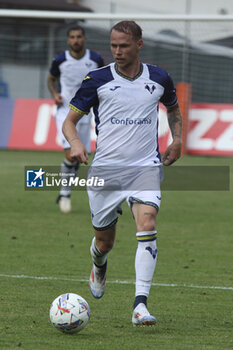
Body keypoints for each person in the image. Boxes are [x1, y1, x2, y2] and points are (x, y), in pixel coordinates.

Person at [62, 21, 182, 326]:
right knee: (105, 243)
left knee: (148, 221)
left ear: (139, 45)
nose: (117, 51)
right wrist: (75, 143)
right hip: (106, 172)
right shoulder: (96, 80)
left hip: (145, 168)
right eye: (113, 45)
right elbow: (69, 122)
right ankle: (98, 264)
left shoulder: (159, 78)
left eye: (124, 46)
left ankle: (140, 305)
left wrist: (178, 139)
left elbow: (174, 109)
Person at [47, 25, 104, 213]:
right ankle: (64, 194)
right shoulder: (60, 60)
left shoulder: (95, 59)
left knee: (79, 158)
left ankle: (66, 189)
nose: (76, 40)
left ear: (85, 39)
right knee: (71, 154)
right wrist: (54, 93)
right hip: (65, 112)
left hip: (85, 112)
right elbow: (50, 79)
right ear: (68, 40)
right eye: (72, 37)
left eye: (79, 36)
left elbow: (104, 80)